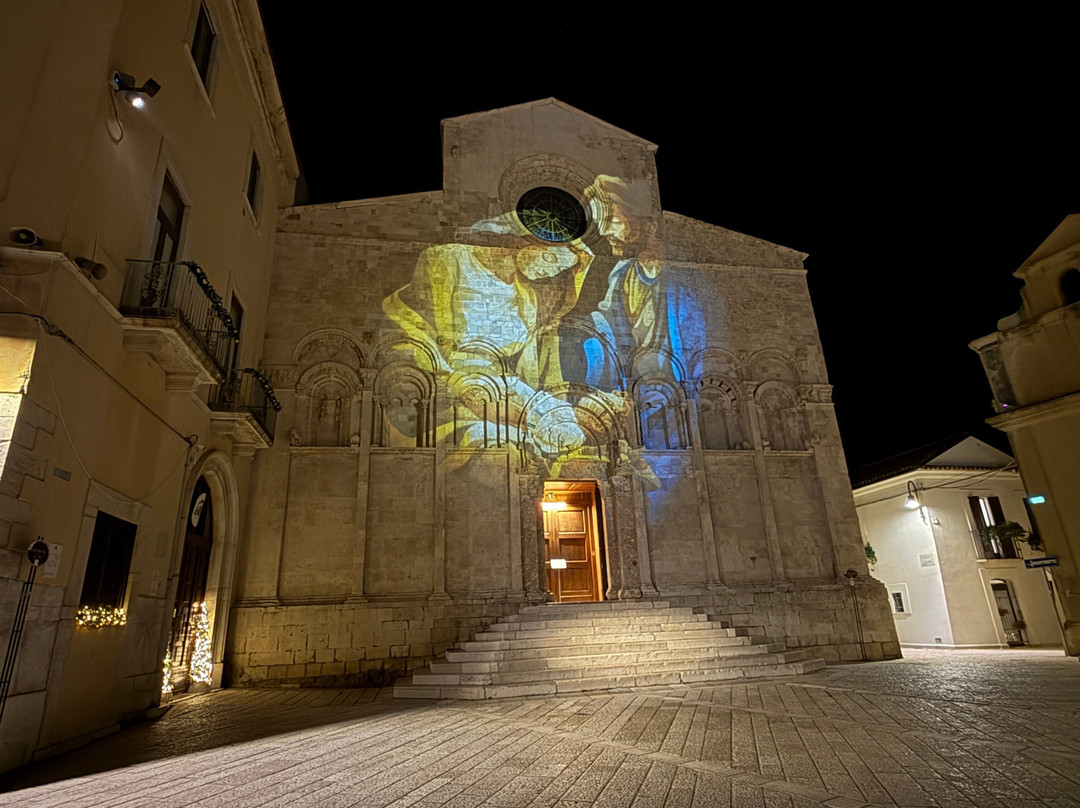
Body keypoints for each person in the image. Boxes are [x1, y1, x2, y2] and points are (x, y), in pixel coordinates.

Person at [381, 213, 595, 452]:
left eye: (559, 267)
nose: (549, 271)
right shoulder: (447, 260)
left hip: (499, 387)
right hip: (443, 386)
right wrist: (462, 388)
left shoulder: (527, 297)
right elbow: (417, 331)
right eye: (549, 257)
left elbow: (528, 368)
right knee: (497, 446)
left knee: (565, 430)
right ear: (519, 241)